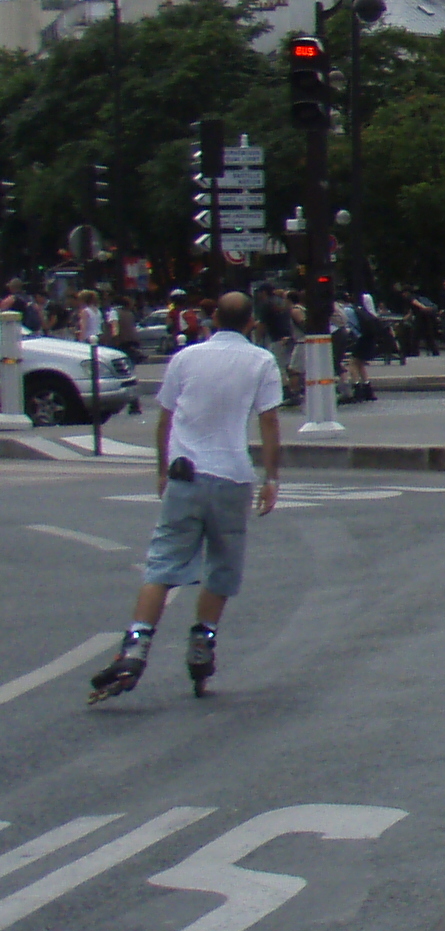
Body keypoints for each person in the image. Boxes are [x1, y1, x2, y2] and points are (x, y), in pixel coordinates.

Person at [85, 292, 284, 704]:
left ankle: (136, 645)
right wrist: (272, 477)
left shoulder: (185, 358)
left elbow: (165, 419)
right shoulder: (261, 362)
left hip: (185, 474)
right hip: (231, 476)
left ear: (213, 318)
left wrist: (162, 469)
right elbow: (269, 420)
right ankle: (201, 643)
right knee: (222, 567)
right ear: (251, 322)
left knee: (162, 564)